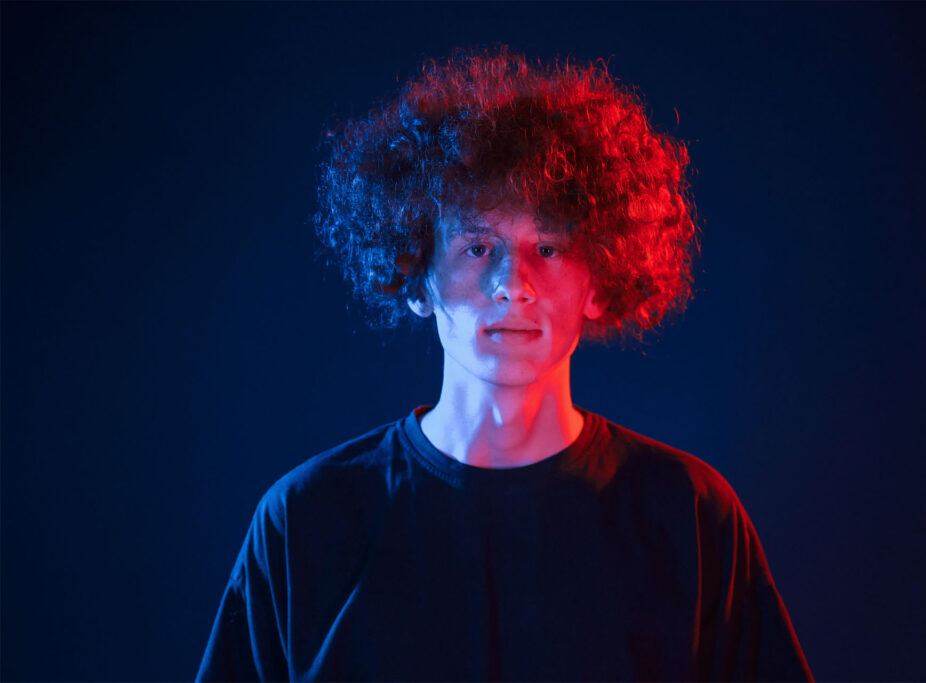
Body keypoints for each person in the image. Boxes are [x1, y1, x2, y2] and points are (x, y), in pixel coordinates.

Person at [197, 47, 812, 682]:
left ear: (600, 280)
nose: (513, 285)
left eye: (548, 247)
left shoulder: (687, 514)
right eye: (477, 246)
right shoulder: (306, 520)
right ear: (416, 275)